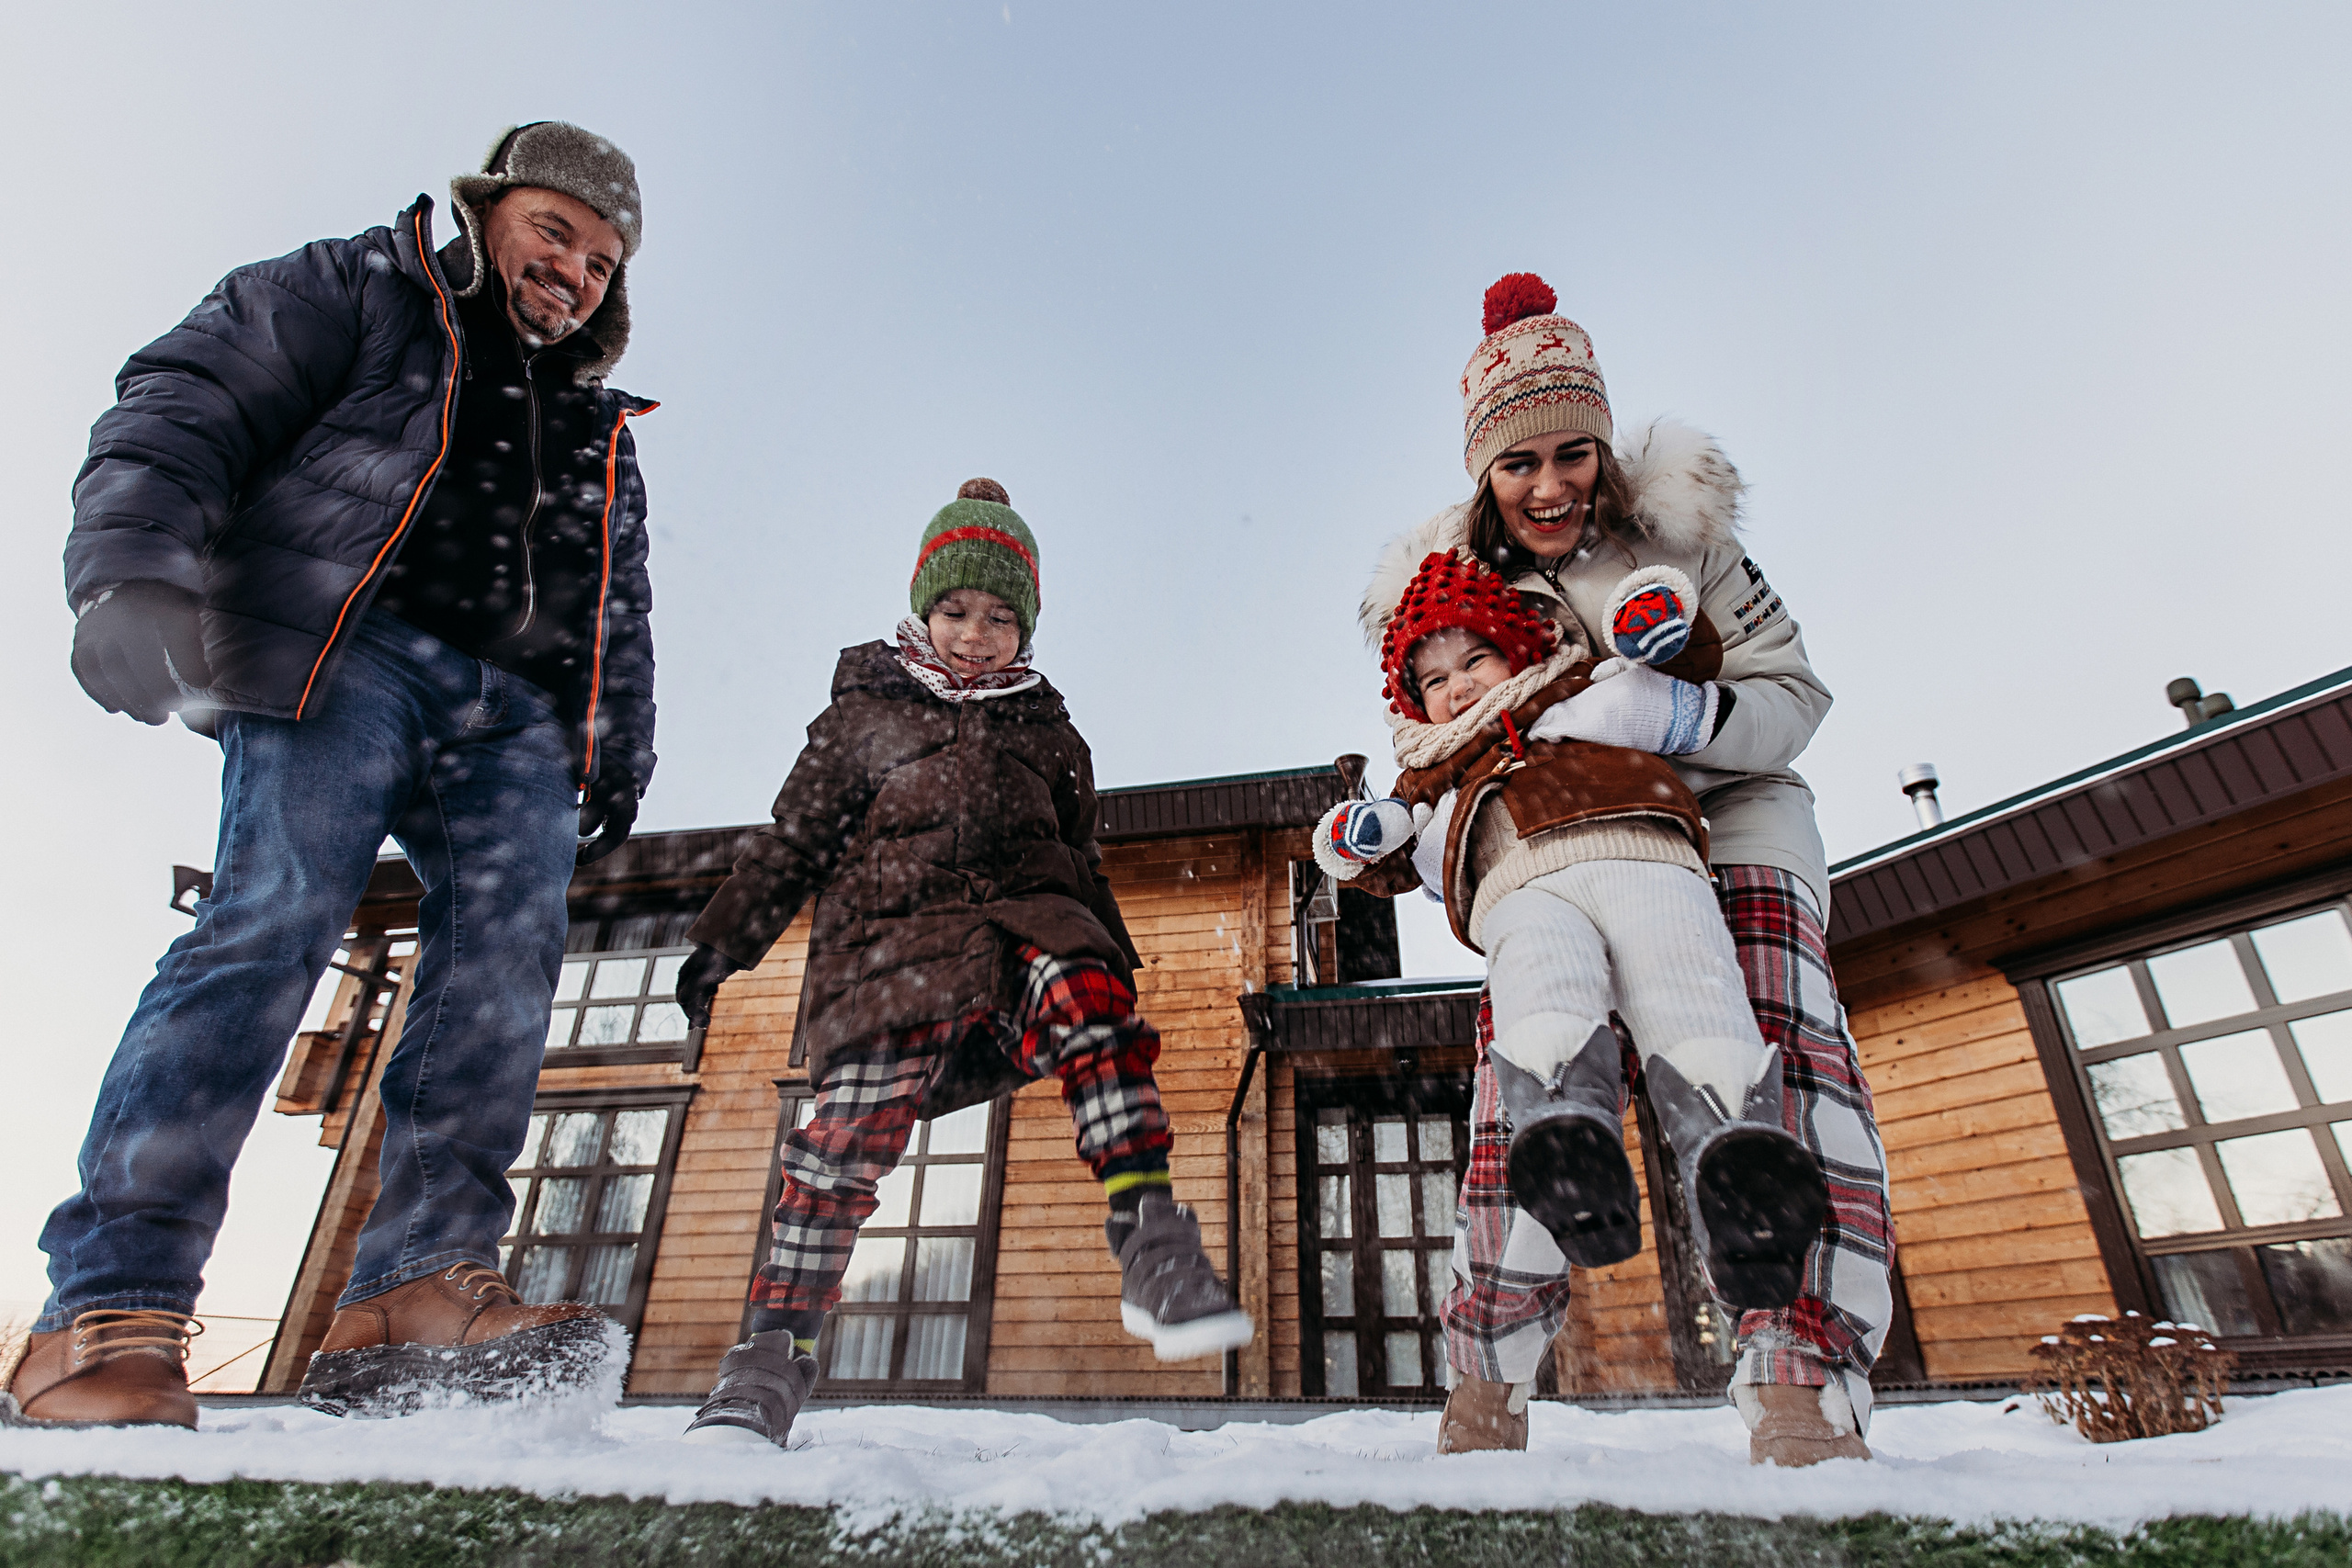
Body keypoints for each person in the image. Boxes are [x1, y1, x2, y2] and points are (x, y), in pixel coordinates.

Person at [12, 123, 660, 1430]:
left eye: (601, 260)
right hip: (342, 652)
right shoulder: (358, 287)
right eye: (556, 232)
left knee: (504, 970)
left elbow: (621, 599)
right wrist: (133, 569)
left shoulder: (598, 426)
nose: (575, 271)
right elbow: (189, 395)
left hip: (517, 712)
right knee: (273, 920)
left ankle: (415, 1289)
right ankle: (109, 1303)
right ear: (489, 213)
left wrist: (617, 737)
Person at [1363, 274, 1892, 1466]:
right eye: (1517, 463)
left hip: (1731, 822)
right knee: (1535, 1081)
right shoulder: (1455, 595)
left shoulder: (1687, 540)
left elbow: (1792, 693)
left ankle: (1803, 1380)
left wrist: (1673, 711)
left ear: (1603, 444)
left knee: (1781, 1067)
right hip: (1551, 852)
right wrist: (1411, 845)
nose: (1549, 485)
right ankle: (1487, 1378)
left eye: (1571, 452)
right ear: (1482, 474)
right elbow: (1431, 756)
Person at [671, 479, 1250, 1450]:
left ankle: (1149, 1231)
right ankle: (767, 1357)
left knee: (1090, 997)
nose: (975, 634)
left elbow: (1081, 861)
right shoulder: (860, 720)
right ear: (922, 609)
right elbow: (791, 841)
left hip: (1025, 928)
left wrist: (1112, 964)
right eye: (955, 610)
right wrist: (724, 940)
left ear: (1024, 625)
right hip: (891, 948)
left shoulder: (1054, 736)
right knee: (844, 1143)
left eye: (998, 616)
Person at [1321, 546, 1830, 1439]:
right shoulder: (1432, 766)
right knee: (1540, 996)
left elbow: (1679, 657)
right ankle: (1565, 1139)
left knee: (1692, 994)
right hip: (1520, 888)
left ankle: (1738, 1168)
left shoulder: (1584, 686)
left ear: (1517, 648)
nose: (1456, 687)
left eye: (1473, 659)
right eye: (1431, 678)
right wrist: (1355, 836)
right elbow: (1379, 843)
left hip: (1649, 854)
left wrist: (1653, 615)